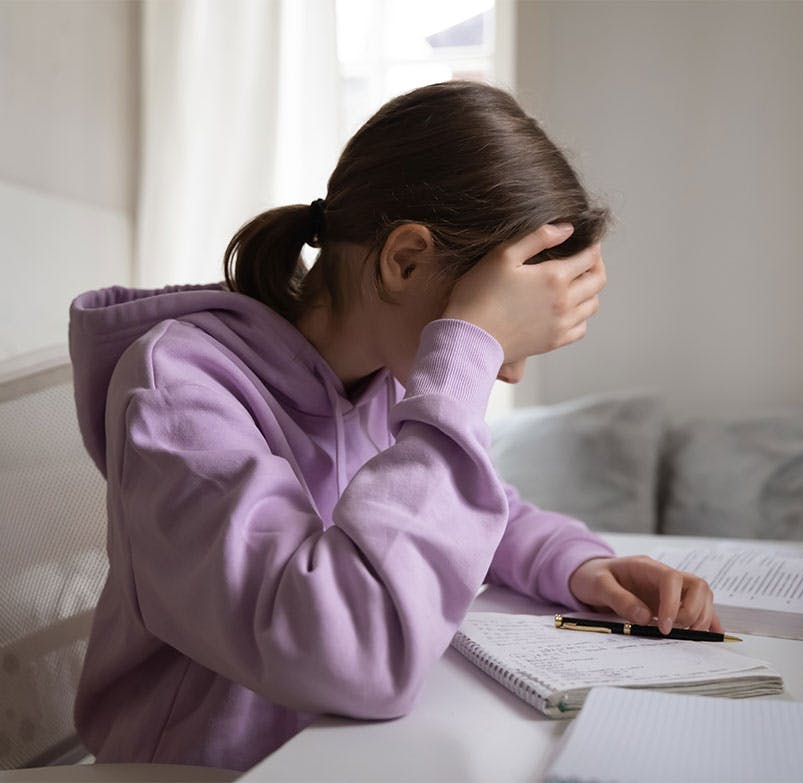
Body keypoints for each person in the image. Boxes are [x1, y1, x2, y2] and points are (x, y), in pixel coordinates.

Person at [69, 81, 721, 772]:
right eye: (500, 337)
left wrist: (584, 565)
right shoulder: (181, 390)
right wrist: (461, 353)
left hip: (342, 752)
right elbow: (352, 648)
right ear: (405, 260)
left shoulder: (376, 381)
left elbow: (480, 508)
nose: (508, 375)